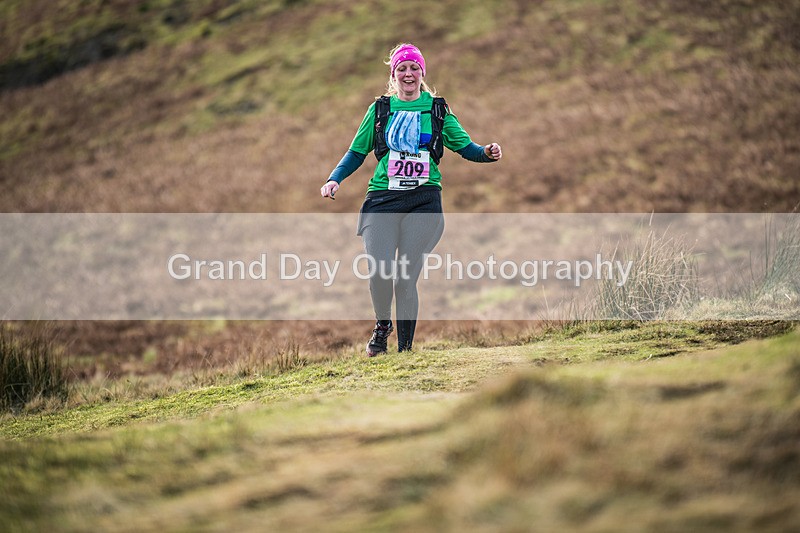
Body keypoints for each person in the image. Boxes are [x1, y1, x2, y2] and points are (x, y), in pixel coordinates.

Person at [320, 43, 502, 357]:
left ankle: (404, 352)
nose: (408, 73)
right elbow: (357, 152)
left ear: (422, 73)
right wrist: (335, 177)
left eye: (414, 68)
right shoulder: (380, 110)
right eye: (402, 68)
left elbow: (465, 147)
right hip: (383, 199)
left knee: (405, 275)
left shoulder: (437, 109)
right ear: (394, 75)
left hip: (423, 200)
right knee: (379, 270)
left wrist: (486, 153)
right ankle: (382, 324)